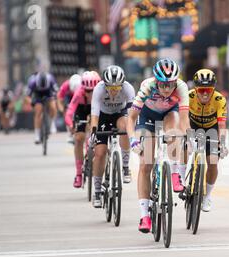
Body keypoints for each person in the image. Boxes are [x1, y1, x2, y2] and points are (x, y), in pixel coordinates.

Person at [126, 58, 190, 233]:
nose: (167, 89)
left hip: (170, 114)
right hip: (147, 117)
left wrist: (187, 136)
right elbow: (131, 118)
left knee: (174, 131)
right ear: (156, 81)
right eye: (162, 85)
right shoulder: (147, 86)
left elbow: (184, 119)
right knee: (146, 164)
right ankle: (144, 215)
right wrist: (133, 139)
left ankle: (175, 173)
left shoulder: (182, 87)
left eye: (170, 85)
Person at [89, 66, 135, 208]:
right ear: (105, 85)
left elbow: (131, 114)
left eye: (117, 88)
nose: (114, 91)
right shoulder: (98, 89)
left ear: (122, 85)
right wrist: (93, 133)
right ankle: (97, 191)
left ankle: (125, 166)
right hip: (102, 116)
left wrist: (132, 132)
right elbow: (95, 115)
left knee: (125, 127)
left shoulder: (128, 89)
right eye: (111, 88)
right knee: (100, 153)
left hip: (119, 113)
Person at [185, 69, 229, 212]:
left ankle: (207, 195)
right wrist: (187, 136)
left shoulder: (219, 100)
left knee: (213, 161)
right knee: (182, 147)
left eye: (208, 90)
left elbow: (222, 125)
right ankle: (179, 177)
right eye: (202, 90)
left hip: (212, 129)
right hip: (192, 126)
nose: (205, 93)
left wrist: (222, 143)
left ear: (213, 89)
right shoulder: (188, 96)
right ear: (196, 89)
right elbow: (183, 118)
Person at [65, 71, 101, 189]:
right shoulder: (79, 93)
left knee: (95, 128)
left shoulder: (101, 92)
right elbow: (69, 112)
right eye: (87, 91)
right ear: (83, 89)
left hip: (96, 109)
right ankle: (79, 174)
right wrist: (70, 125)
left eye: (93, 91)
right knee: (79, 137)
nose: (90, 94)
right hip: (82, 108)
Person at [25, 72, 59, 144]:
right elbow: (27, 97)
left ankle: (52, 123)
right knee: (38, 111)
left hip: (49, 92)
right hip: (37, 94)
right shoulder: (32, 81)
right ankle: (37, 135)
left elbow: (57, 92)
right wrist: (32, 102)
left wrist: (55, 99)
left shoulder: (51, 79)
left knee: (53, 105)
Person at [58, 74, 82, 144]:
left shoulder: (83, 86)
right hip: (68, 98)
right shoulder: (65, 86)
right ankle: (70, 131)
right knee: (67, 110)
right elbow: (59, 98)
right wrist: (61, 109)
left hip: (79, 96)